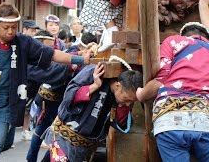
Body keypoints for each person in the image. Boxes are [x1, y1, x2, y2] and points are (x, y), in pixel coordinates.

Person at [0, 3, 92, 162]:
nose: (10, 31)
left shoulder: (23, 42)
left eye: (14, 27)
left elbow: (53, 55)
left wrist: (80, 58)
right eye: (6, 27)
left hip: (6, 104)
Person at [43, 57, 142, 162]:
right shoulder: (95, 71)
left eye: (132, 101)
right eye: (127, 99)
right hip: (64, 140)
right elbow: (68, 97)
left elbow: (121, 124)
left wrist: (124, 107)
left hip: (84, 149)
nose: (128, 103)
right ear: (118, 85)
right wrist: (94, 86)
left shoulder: (120, 100)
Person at [136, 22, 209, 161]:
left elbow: (161, 79)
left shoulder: (173, 41)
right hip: (205, 121)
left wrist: (141, 93)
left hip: (170, 122)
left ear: (184, 35)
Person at [26, 30, 83, 162]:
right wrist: (74, 62)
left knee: (53, 131)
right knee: (45, 129)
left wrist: (76, 55)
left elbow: (61, 60)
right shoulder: (31, 61)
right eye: (47, 47)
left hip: (57, 100)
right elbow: (53, 69)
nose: (50, 50)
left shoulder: (58, 52)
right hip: (46, 100)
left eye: (52, 47)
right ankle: (31, 158)